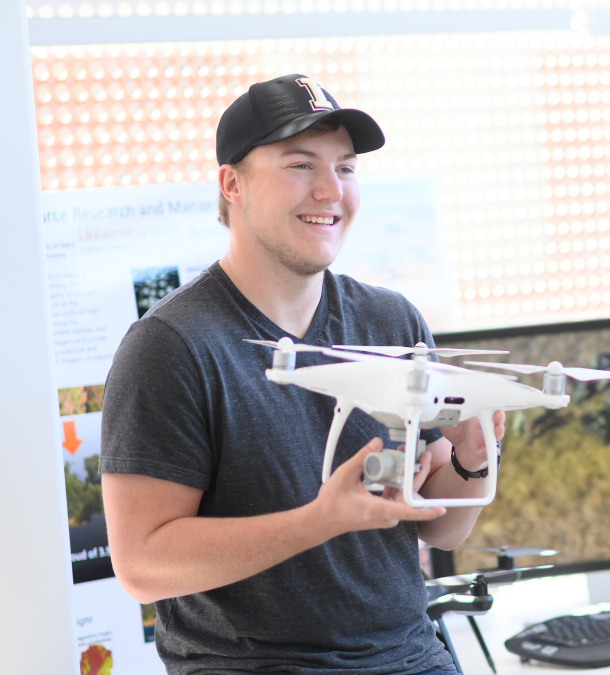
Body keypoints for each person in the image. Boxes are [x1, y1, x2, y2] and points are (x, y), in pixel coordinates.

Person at [99, 74, 504, 674]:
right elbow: (142, 565)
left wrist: (473, 460)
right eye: (299, 164)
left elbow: (442, 531)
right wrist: (318, 522)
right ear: (231, 184)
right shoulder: (170, 347)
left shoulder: (392, 320)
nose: (328, 190)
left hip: (411, 657)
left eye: (345, 168)